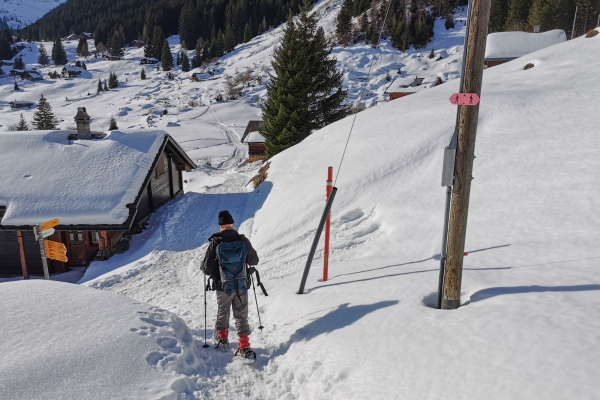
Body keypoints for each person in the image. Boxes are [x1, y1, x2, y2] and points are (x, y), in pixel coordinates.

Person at [201, 210, 259, 357]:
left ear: (220, 226)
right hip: (241, 285)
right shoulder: (242, 241)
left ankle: (222, 339)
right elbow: (254, 261)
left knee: (223, 312)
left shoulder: (216, 242)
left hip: (223, 286)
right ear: (232, 224)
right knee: (241, 315)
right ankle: (244, 346)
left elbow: (207, 269)